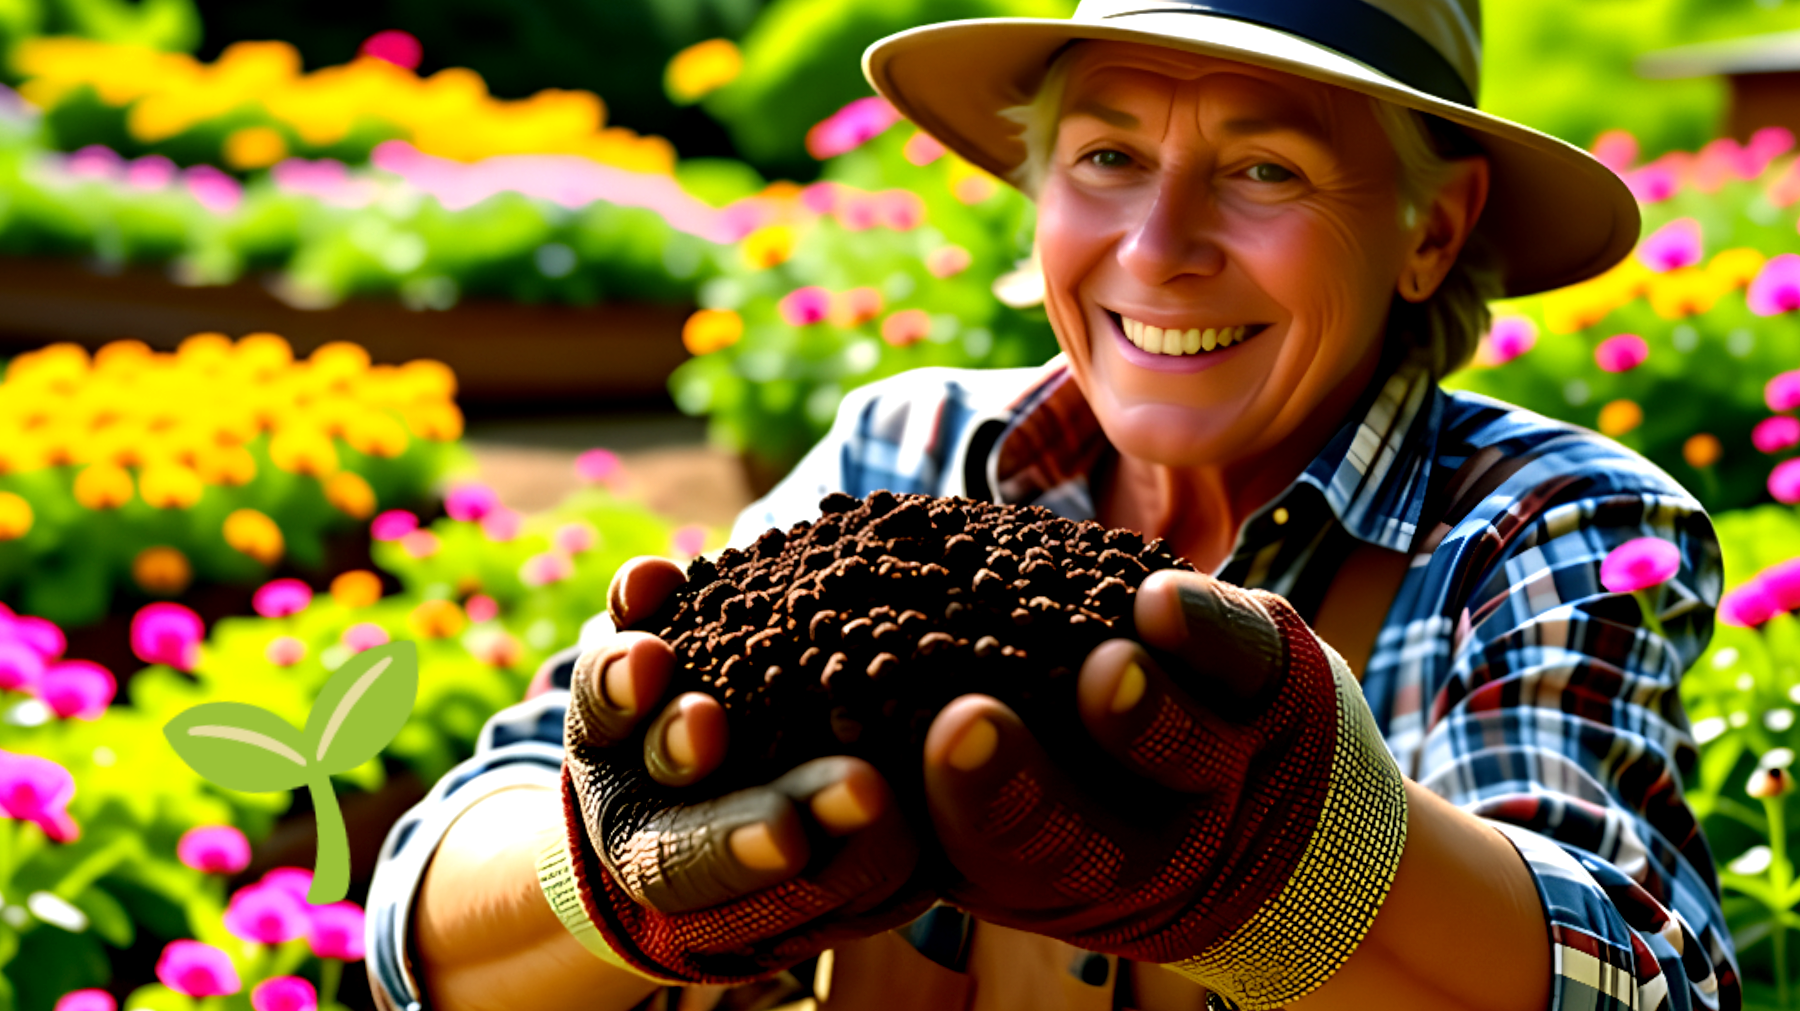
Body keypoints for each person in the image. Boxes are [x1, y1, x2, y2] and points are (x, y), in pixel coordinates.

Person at [366, 1, 1739, 1009]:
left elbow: (1649, 983)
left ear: (1432, 232)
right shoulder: (904, 450)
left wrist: (1290, 868)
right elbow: (420, 925)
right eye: (1106, 157)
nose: (1159, 248)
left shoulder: (1540, 524)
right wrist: (607, 882)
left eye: (1265, 169)